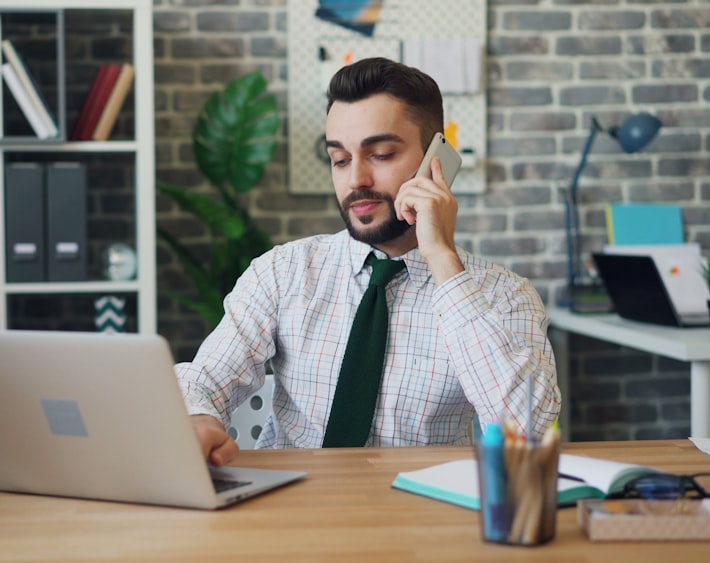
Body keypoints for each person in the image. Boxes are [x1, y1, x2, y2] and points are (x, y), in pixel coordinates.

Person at [176, 57, 560, 466]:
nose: (355, 179)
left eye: (380, 154)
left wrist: (443, 261)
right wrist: (200, 418)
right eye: (340, 159)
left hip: (421, 515)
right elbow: (204, 380)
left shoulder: (503, 295)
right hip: (294, 510)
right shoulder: (283, 272)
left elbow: (530, 431)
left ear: (437, 160)